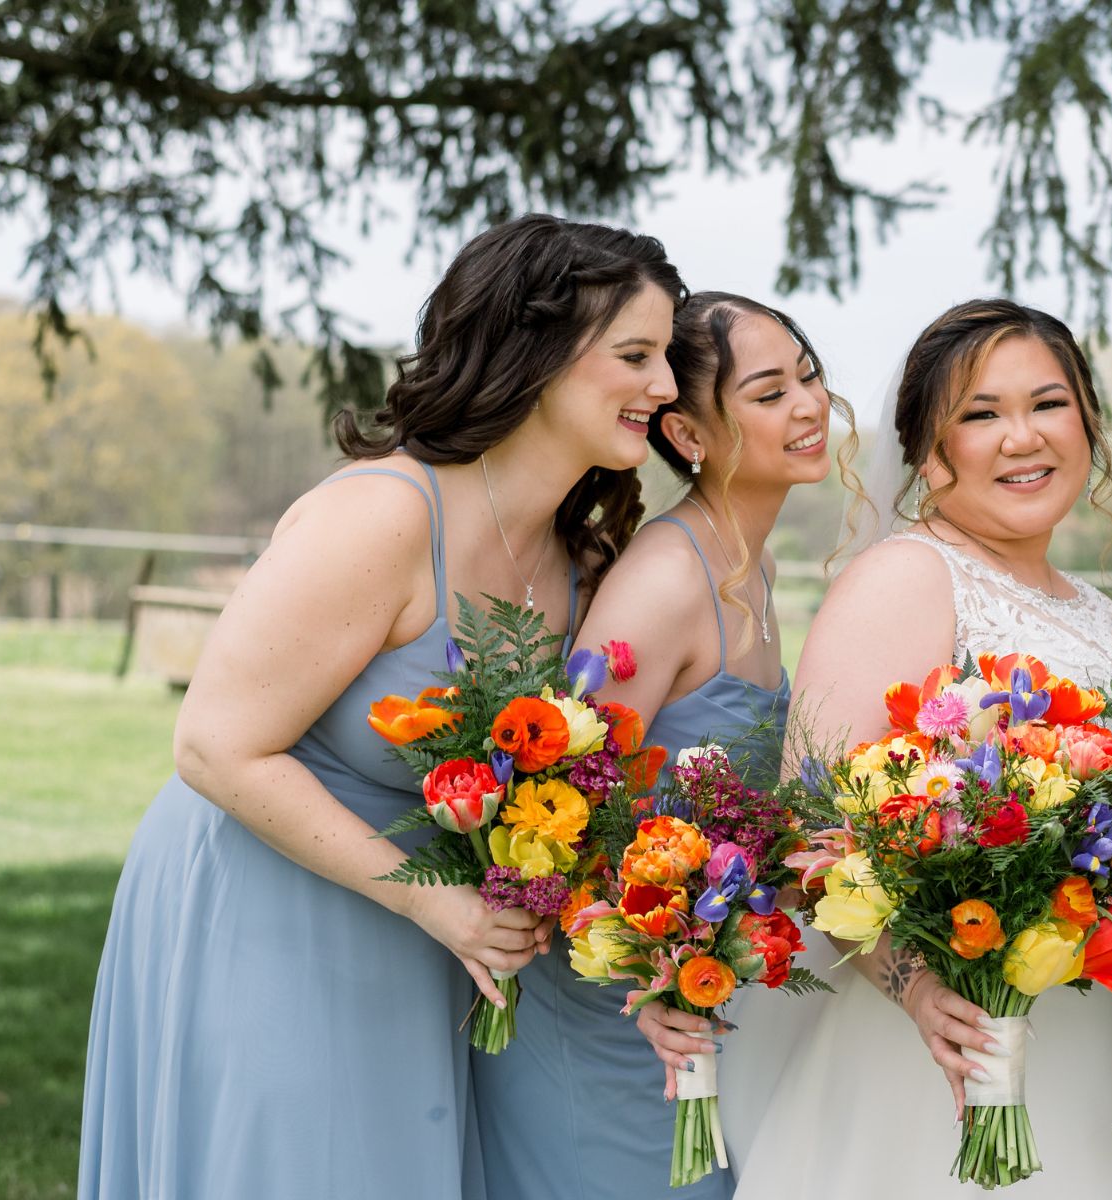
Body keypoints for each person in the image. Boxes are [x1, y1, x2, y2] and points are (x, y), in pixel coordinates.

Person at [78, 215, 686, 1199]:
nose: (665, 386)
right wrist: (434, 901)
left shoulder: (582, 564)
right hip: (270, 902)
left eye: (666, 356)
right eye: (636, 354)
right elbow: (215, 746)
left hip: (429, 936)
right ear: (532, 353)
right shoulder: (385, 514)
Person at [727, 298, 1112, 1198]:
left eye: (1048, 404)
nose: (1022, 438)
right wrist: (916, 985)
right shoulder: (908, 577)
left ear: (1089, 422)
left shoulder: (1108, 620)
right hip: (951, 1053)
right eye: (981, 415)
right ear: (926, 451)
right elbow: (810, 825)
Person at [472, 291, 859, 1197]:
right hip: (615, 1016)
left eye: (807, 375)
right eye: (768, 393)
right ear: (686, 432)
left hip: (686, 1002)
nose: (808, 406)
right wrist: (654, 971)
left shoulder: (750, 564)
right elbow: (557, 809)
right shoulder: (666, 579)